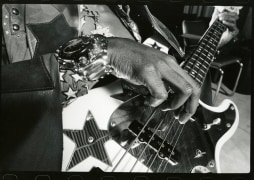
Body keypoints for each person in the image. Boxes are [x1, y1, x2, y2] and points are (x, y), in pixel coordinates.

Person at [0, 4, 239, 171]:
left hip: (145, 140)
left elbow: (167, 74)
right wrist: (106, 53)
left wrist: (214, 35)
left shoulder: (134, 11)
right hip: (64, 148)